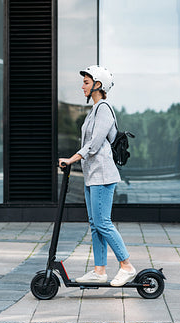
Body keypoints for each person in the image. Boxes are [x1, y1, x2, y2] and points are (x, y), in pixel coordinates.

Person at [59, 65, 136, 287]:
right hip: (92, 175)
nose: (82, 86)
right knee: (95, 224)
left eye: (86, 82)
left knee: (103, 223)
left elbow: (93, 145)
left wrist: (72, 159)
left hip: (103, 175)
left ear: (98, 85)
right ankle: (99, 271)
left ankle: (126, 265)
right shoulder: (94, 110)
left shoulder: (104, 108)